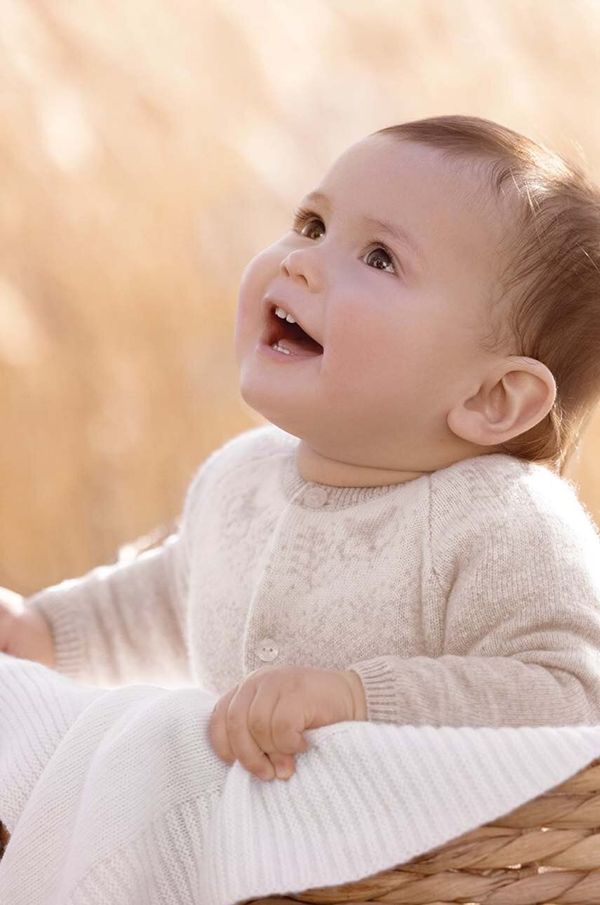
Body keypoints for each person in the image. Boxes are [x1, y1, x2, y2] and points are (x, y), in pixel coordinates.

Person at [3, 113, 600, 793]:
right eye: (313, 225)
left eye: (379, 257)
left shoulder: (504, 521)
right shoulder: (243, 476)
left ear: (493, 397)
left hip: (417, 873)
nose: (301, 260)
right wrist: (44, 631)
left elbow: (569, 693)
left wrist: (357, 699)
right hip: (250, 857)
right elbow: (172, 599)